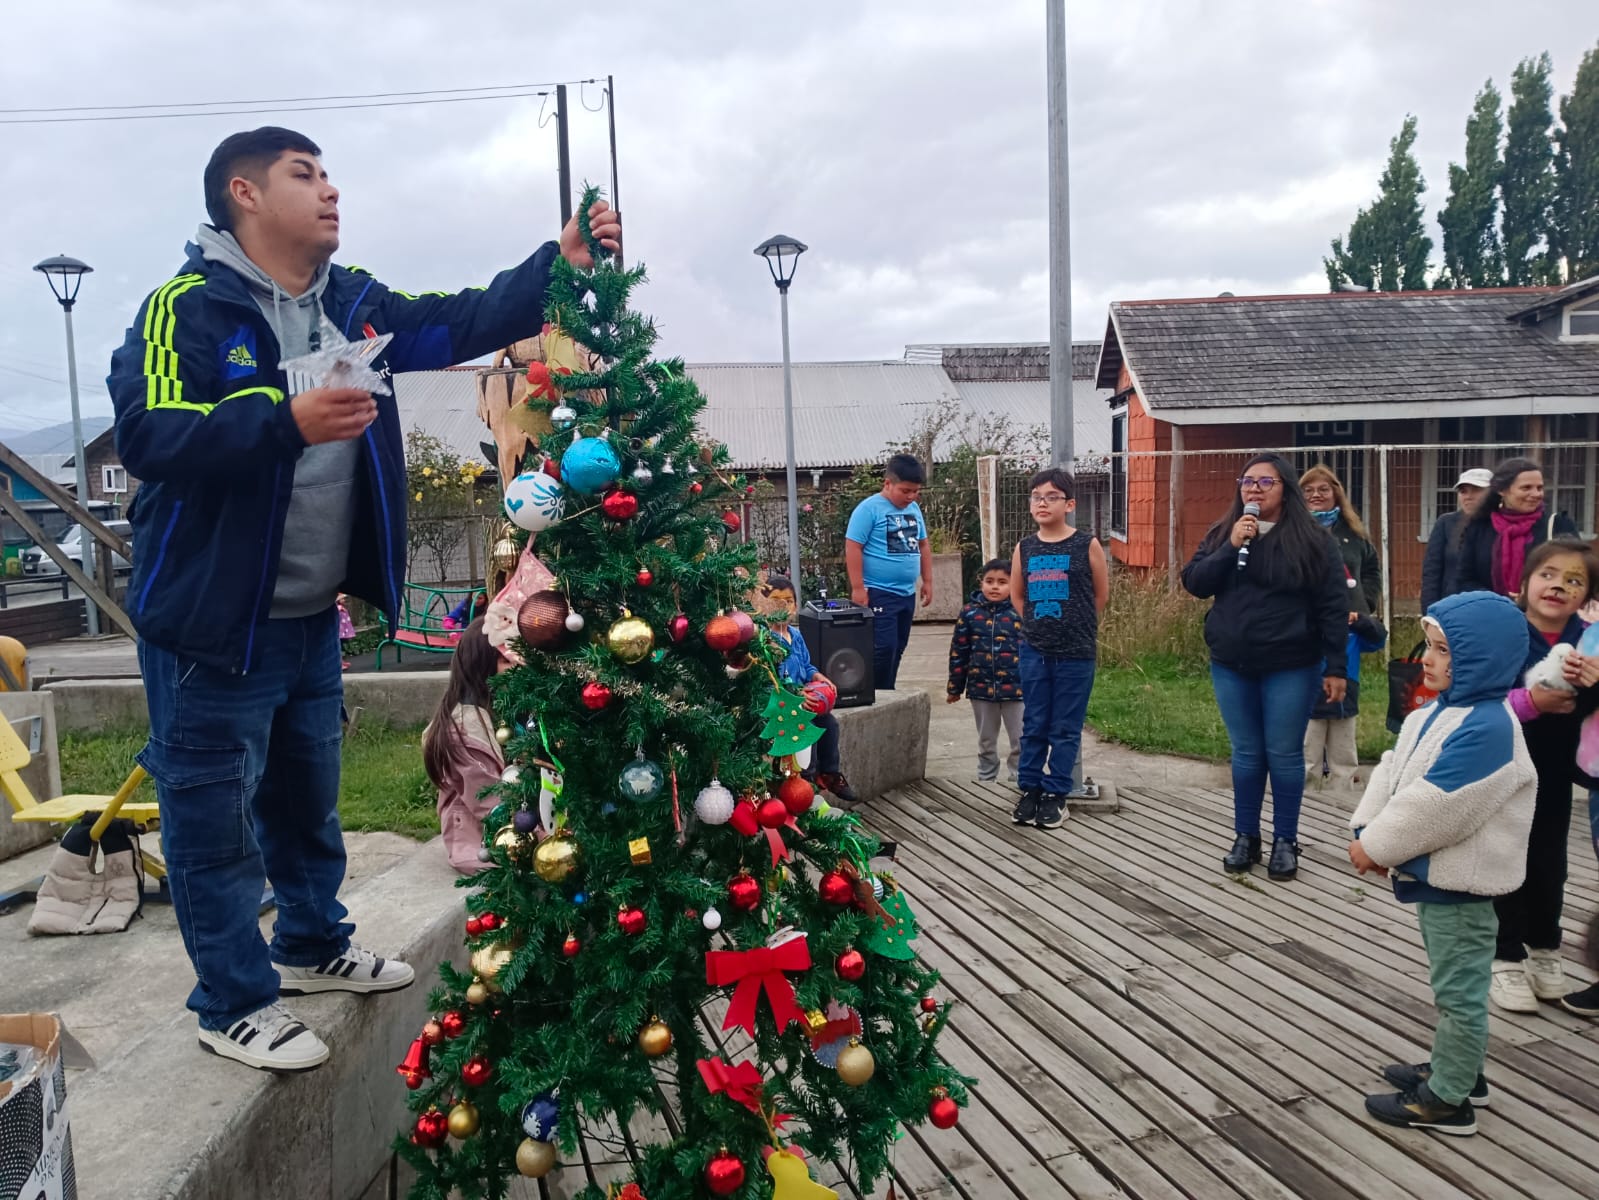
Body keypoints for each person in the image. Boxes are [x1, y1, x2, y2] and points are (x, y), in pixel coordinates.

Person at [107, 126, 621, 1072]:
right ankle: (231, 1001)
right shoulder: (190, 309)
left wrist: (560, 265)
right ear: (245, 193)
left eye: (330, 172)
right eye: (305, 175)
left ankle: (309, 944)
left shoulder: (352, 302)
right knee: (212, 815)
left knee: (307, 796)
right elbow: (150, 432)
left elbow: (457, 320)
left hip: (310, 614)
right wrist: (281, 418)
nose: (330, 190)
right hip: (214, 623)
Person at [1349, 591, 1536, 1136]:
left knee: (1459, 994)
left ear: (1482, 659)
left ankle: (1449, 1101)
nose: (1427, 659)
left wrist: (1377, 847)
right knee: (1452, 985)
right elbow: (1393, 770)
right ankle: (1464, 1071)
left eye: (1442, 651)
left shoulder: (1488, 728)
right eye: (1430, 647)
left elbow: (1436, 806)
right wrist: (1367, 827)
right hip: (1435, 878)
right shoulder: (1439, 710)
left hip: (1462, 885)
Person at [1181, 453, 1348, 881]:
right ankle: (1245, 836)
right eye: (1247, 481)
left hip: (1291, 662)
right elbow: (1196, 583)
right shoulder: (1226, 533)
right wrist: (1232, 545)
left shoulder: (1314, 540)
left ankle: (1286, 840)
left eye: (1265, 482)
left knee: (1284, 753)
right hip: (1232, 662)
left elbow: (1332, 605)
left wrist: (1336, 666)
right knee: (1247, 753)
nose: (1254, 489)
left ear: (1285, 489)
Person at [1489, 538, 1599, 1013]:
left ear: (1587, 595)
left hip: (1555, 771)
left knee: (1551, 860)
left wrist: (1593, 686)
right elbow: (1482, 698)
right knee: (1508, 857)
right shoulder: (1505, 631)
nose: (1559, 586)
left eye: (1574, 581)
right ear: (1525, 582)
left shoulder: (1589, 638)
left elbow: (1587, 714)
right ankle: (1505, 955)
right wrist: (1531, 701)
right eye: (1548, 574)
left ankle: (1544, 950)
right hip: (1505, 766)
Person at [1010, 468, 1108, 830]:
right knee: (1035, 723)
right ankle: (1030, 789)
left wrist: (1073, 627)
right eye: (1036, 496)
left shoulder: (1087, 544)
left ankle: (1056, 794)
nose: (1042, 503)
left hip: (1076, 653)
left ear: (1069, 504)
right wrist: (1038, 626)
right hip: (1034, 651)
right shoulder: (1025, 547)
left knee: (1065, 727)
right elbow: (1017, 595)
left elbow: (1099, 595)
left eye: (1051, 496)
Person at [423, 618, 509, 874]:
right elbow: (489, 802)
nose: (518, 663)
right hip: (478, 843)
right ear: (481, 666)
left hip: (515, 824)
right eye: (506, 660)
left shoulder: (503, 709)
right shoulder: (464, 733)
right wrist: (543, 836)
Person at [760, 576, 855, 803]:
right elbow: (770, 677)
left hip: (804, 700)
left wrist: (818, 676)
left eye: (789, 601)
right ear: (764, 606)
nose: (783, 606)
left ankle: (829, 773)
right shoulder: (765, 640)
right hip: (783, 704)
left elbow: (806, 665)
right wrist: (795, 693)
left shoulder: (796, 636)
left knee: (829, 723)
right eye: (776, 601)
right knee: (807, 727)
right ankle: (806, 780)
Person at [845, 454, 932, 692]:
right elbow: (853, 546)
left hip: (906, 593)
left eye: (916, 491)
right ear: (887, 483)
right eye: (905, 491)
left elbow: (923, 544)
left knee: (898, 646)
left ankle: (888, 691)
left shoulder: (914, 509)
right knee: (883, 647)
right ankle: (876, 693)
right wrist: (858, 587)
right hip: (879, 592)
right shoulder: (868, 509)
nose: (911, 496)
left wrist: (928, 581)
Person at [1305, 567, 1388, 792]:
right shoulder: (1305, 623)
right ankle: (1304, 799)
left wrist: (1361, 620)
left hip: (1345, 700)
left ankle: (1342, 797)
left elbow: (1379, 638)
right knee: (1307, 757)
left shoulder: (1352, 628)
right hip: (1309, 699)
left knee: (1344, 757)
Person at [1452, 457, 1578, 598]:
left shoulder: (1559, 526)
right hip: (1491, 613)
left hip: (1545, 614)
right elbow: (1465, 579)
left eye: (1539, 488)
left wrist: (1534, 596)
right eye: (1526, 488)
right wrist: (1498, 601)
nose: (1536, 494)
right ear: (1502, 490)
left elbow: (1576, 575)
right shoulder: (1479, 527)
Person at [946, 557, 1024, 784]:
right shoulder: (969, 614)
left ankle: (1020, 780)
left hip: (1018, 691)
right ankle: (986, 781)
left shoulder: (1022, 611)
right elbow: (958, 652)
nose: (995, 586)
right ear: (981, 583)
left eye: (1002, 581)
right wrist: (954, 688)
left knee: (1021, 739)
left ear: (1014, 584)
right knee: (986, 740)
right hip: (981, 690)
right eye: (989, 581)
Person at [1300, 464, 1381, 613]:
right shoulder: (1290, 531)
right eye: (1308, 490)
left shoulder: (1353, 532)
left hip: (1350, 622)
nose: (1316, 495)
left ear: (1336, 494)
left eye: (1323, 489)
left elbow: (1371, 568)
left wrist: (1366, 601)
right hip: (1302, 622)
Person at [1421, 468, 1492, 611]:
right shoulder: (1446, 523)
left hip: (1491, 607)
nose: (1468, 496)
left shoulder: (1502, 526)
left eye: (1477, 490)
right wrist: (1430, 613)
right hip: (1451, 607)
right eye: (1463, 491)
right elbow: (1431, 573)